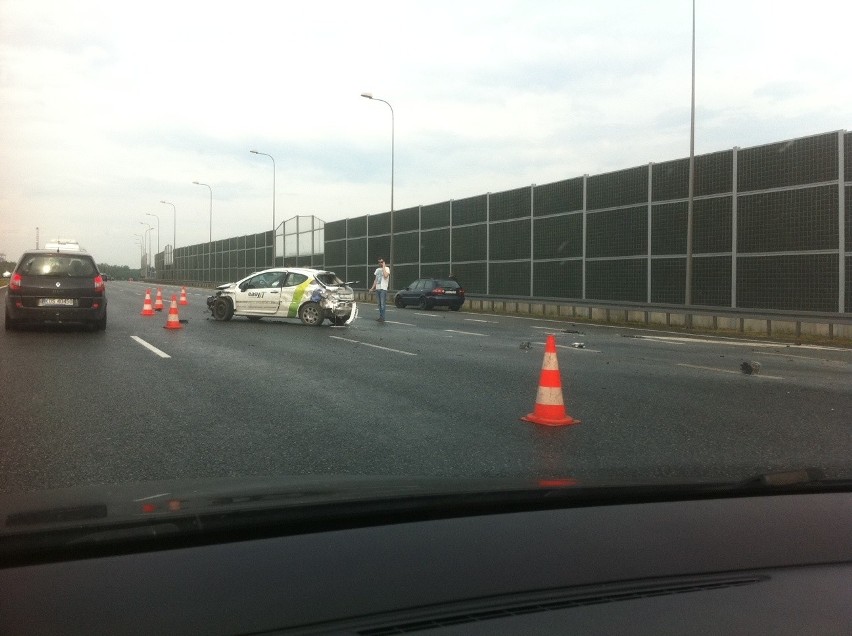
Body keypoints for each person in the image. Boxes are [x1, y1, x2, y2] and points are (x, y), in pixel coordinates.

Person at [369, 257, 390, 322]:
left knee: (382, 304)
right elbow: (375, 280)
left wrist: (383, 267)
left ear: (384, 262)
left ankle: (382, 317)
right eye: (379, 262)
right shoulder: (377, 269)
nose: (380, 263)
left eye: (381, 262)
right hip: (377, 289)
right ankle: (380, 316)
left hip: (383, 289)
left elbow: (386, 276)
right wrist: (372, 288)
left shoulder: (387, 268)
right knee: (379, 304)